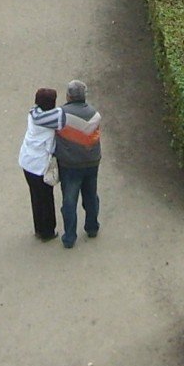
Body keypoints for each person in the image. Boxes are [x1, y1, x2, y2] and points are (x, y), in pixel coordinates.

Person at [54, 78, 102, 248]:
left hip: (70, 165)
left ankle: (70, 238)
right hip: (92, 162)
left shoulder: (61, 114)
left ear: (69, 96)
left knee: (69, 200)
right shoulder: (95, 115)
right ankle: (92, 227)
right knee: (90, 195)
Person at [18, 86, 61, 241]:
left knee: (36, 196)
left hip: (26, 160)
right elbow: (63, 118)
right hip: (40, 165)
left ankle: (39, 228)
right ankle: (48, 231)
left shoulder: (33, 113)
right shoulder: (52, 120)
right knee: (46, 198)